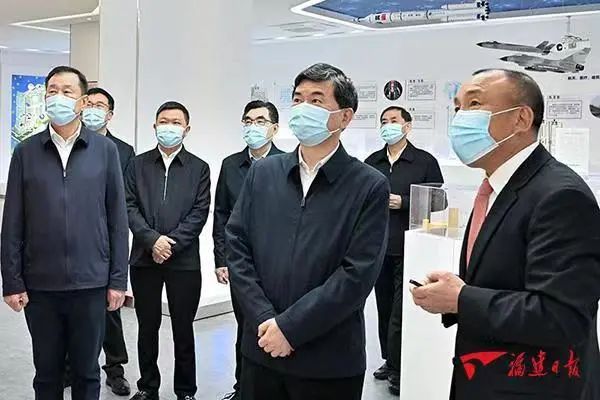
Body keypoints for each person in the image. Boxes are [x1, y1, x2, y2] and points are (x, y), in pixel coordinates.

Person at [411, 69, 600, 400]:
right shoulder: (497, 187)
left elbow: (562, 316)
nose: (460, 118)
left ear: (521, 118)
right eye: (457, 107)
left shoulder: (560, 196)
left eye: (474, 104)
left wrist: (461, 299)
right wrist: (454, 294)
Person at [226, 63, 390, 400]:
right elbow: (238, 246)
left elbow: (357, 274)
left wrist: (290, 328)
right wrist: (264, 318)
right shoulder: (263, 174)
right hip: (261, 349)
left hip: (328, 360)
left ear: (345, 117)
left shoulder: (368, 185)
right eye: (298, 99)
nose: (303, 108)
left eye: (316, 100)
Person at [1, 65, 129, 400]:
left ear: (83, 101)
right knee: (47, 373)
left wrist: (118, 280)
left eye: (67, 91)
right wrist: (12, 281)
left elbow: (117, 220)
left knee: (87, 372)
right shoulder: (26, 152)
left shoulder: (105, 151)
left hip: (91, 283)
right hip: (40, 285)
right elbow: (12, 221)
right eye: (52, 91)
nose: (58, 97)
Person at [125, 101, 211, 400]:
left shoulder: (199, 168)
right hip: (143, 258)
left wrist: (169, 244)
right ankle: (148, 387)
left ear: (187, 129)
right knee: (147, 327)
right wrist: (152, 241)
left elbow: (199, 213)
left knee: (183, 328)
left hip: (184, 262)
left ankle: (186, 391)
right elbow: (129, 206)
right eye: (164, 121)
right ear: (154, 126)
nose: (169, 127)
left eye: (176, 122)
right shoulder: (136, 165)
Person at [59, 87, 134, 396]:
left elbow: (122, 201)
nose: (92, 109)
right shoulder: (67, 145)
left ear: (110, 114)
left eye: (99, 105)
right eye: (88, 103)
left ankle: (115, 369)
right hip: (71, 242)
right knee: (70, 309)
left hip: (104, 241)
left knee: (109, 311)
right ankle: (69, 367)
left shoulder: (122, 151)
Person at [365, 106, 443, 395]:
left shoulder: (424, 161)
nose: (388, 126)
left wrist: (404, 202)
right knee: (384, 307)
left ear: (407, 126)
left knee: (401, 311)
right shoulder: (372, 162)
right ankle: (389, 359)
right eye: (384, 121)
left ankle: (400, 367)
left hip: (409, 246)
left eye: (394, 121)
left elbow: (439, 201)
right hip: (378, 247)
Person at [213, 100, 284, 400]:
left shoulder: (286, 163)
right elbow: (221, 213)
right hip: (240, 262)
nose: (253, 127)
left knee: (273, 325)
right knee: (244, 327)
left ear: (274, 128)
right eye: (248, 121)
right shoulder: (231, 165)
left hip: (276, 263)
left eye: (260, 121)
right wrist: (221, 259)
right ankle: (242, 388)